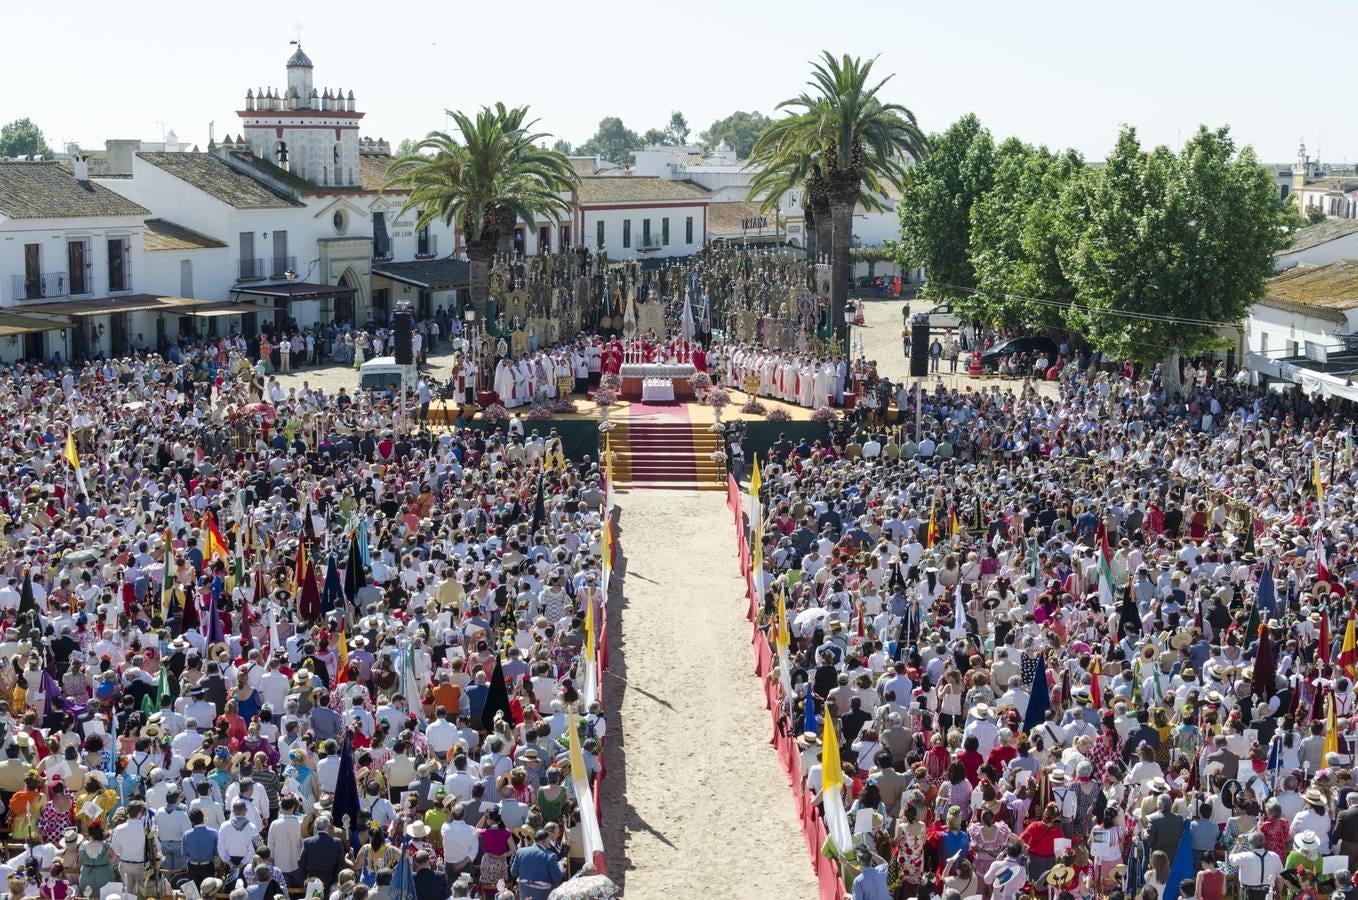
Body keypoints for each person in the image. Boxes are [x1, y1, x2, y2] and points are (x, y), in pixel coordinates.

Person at [508, 828, 566, 900]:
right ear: (544, 840)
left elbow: (513, 873)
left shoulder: (520, 852)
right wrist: (561, 867)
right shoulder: (550, 856)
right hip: (543, 895)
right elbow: (558, 878)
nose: (549, 844)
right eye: (548, 840)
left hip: (524, 894)